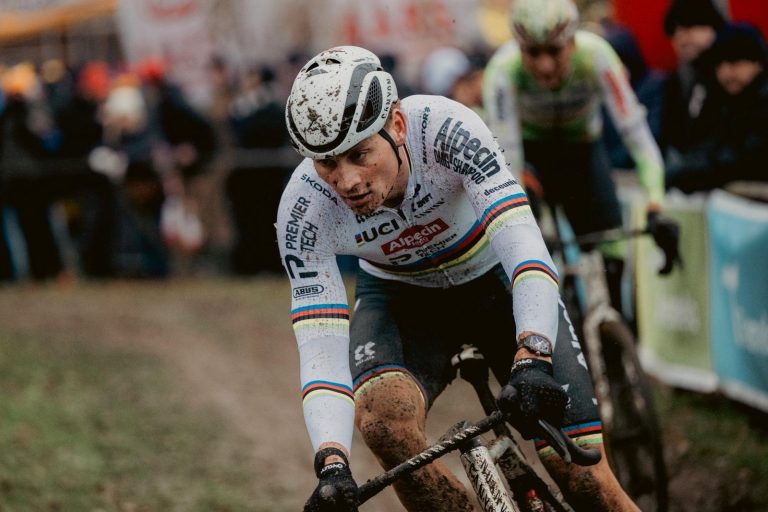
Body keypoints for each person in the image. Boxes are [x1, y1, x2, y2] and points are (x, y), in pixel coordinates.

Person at [276, 45, 640, 512]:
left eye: (360, 154)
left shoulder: (446, 130)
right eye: (327, 164)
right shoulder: (303, 210)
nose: (346, 181)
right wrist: (331, 462)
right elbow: (321, 344)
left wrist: (533, 353)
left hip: (494, 282)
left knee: (586, 483)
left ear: (397, 125)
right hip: (402, 298)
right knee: (383, 424)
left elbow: (524, 247)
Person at [483, 0, 678, 315]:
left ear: (572, 41)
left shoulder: (596, 56)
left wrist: (656, 206)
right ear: (519, 49)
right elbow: (507, 151)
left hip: (584, 149)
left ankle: (612, 322)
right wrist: (522, 206)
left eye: (554, 51)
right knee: (530, 239)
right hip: (532, 156)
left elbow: (636, 135)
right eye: (533, 53)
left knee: (611, 247)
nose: (545, 66)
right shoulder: (503, 70)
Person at [666, 22, 768, 192]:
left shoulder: (760, 103)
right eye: (719, 64)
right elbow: (708, 143)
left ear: (758, 63)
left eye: (735, 62)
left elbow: (745, 159)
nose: (726, 72)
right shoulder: (723, 98)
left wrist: (688, 172)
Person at [660, 0, 726, 158]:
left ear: (711, 28)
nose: (680, 37)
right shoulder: (677, 81)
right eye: (674, 31)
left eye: (688, 27)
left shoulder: (730, 77)